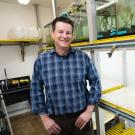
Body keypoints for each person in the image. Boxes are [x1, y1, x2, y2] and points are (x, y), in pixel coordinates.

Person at [30, 16, 101, 135]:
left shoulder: (82, 57)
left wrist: (89, 110)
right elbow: (36, 90)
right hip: (56, 123)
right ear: (53, 34)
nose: (64, 36)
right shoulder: (42, 61)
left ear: (72, 36)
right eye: (60, 32)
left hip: (82, 120)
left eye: (68, 32)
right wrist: (45, 118)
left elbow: (96, 82)